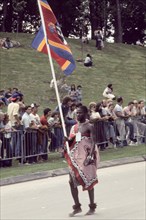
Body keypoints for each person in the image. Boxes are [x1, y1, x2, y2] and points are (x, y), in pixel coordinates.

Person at [64, 105, 100, 217]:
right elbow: (77, 140)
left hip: (87, 157)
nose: (78, 115)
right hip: (76, 157)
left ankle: (92, 206)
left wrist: (90, 156)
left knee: (89, 180)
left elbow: (93, 142)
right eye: (76, 113)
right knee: (71, 181)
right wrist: (68, 140)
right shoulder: (75, 127)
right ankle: (77, 206)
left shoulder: (90, 126)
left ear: (85, 113)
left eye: (80, 113)